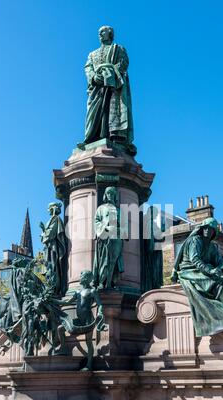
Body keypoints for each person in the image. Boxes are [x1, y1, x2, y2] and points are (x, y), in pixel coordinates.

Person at [81, 26, 136, 155]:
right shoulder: (92, 54)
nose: (100, 33)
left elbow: (123, 64)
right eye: (99, 32)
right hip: (97, 87)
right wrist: (94, 77)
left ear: (110, 34)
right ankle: (92, 137)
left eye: (103, 32)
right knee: (94, 112)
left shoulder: (119, 49)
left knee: (111, 112)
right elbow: (88, 68)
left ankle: (112, 137)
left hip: (114, 86)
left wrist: (109, 73)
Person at [93, 187, 125, 289]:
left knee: (114, 262)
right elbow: (96, 222)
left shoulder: (119, 210)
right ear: (105, 195)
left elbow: (125, 226)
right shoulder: (101, 209)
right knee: (104, 261)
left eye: (112, 194)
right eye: (108, 193)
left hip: (116, 238)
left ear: (115, 196)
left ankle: (112, 282)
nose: (110, 195)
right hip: (105, 238)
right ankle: (102, 282)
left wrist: (119, 230)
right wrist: (106, 227)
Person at [40, 202, 67, 296]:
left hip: (53, 248)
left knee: (53, 267)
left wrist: (44, 233)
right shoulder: (52, 219)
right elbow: (47, 234)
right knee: (50, 267)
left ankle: (55, 288)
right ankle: (51, 287)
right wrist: (43, 230)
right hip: (49, 248)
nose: (48, 210)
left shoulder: (56, 219)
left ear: (53, 209)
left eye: (49, 208)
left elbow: (51, 234)